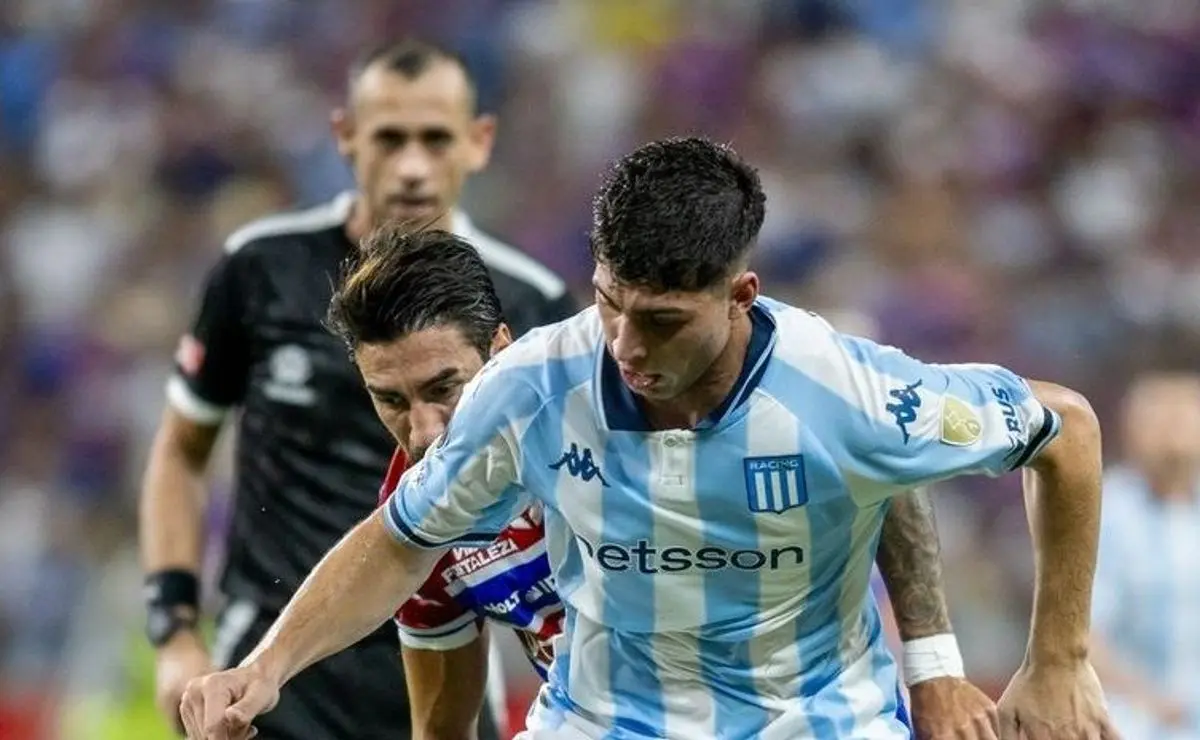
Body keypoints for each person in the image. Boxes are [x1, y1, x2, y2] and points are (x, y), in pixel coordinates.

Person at [179, 137, 1117, 740]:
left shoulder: (847, 391)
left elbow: (1065, 430)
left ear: (739, 296)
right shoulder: (532, 385)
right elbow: (398, 541)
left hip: (817, 719)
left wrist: (1056, 659)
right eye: (608, 304)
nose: (626, 346)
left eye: (662, 321)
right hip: (600, 720)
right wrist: (264, 670)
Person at [329, 227, 995, 739]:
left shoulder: (624, 409)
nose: (424, 431)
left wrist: (933, 664)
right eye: (390, 400)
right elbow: (441, 724)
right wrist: (273, 667)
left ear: (501, 353)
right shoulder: (418, 516)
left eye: (445, 388)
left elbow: (885, 460)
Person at [139, 38, 575, 740]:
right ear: (345, 136)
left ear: (478, 141)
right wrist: (174, 629)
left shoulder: (535, 303)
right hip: (281, 667)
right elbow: (180, 451)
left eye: (435, 139)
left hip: (450, 657)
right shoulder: (262, 269)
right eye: (389, 138)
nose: (412, 166)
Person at [1089, 371, 1200, 739]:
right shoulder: (1103, 511)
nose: (1172, 431)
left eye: (1182, 416)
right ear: (1130, 430)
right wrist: (1150, 700)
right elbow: (1080, 636)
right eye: (1159, 419)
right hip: (1131, 714)